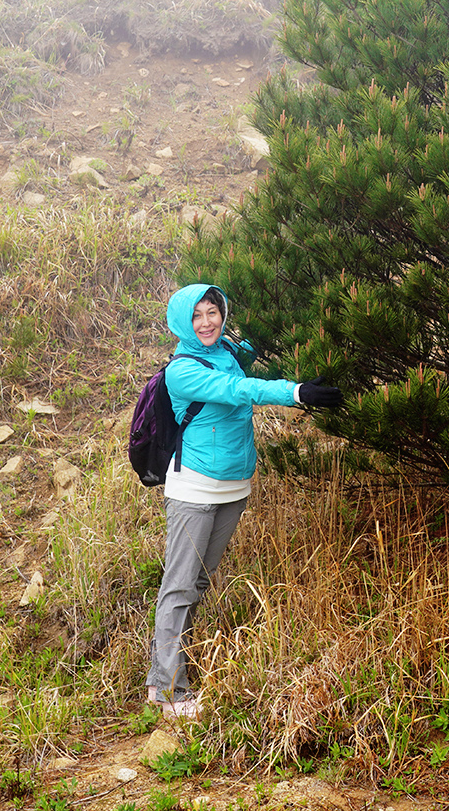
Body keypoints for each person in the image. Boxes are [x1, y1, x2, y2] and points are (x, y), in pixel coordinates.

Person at [147, 282, 340, 718]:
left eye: (212, 312)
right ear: (182, 323)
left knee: (197, 584)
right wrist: (296, 393)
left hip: (233, 487)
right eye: (196, 316)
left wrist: (293, 305)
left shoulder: (228, 352)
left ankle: (164, 676)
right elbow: (239, 390)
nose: (206, 322)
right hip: (194, 488)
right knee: (179, 586)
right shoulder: (182, 370)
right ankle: (169, 691)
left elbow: (253, 347)